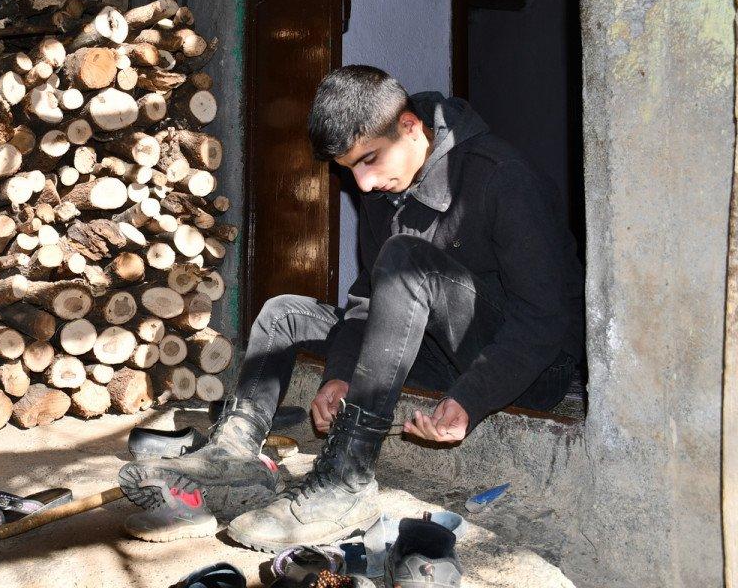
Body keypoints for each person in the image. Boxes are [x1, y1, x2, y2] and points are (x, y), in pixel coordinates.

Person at [119, 65, 584, 552]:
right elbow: (366, 301)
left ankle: (347, 479)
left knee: (404, 259)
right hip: (434, 346)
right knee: (284, 313)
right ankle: (233, 455)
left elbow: (544, 320)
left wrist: (472, 397)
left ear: (410, 126)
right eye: (350, 170)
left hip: (528, 365)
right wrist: (341, 373)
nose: (362, 184)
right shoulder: (386, 187)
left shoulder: (501, 177)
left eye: (369, 160)